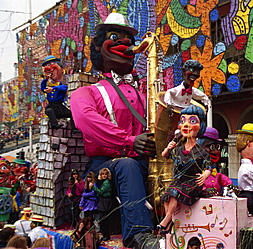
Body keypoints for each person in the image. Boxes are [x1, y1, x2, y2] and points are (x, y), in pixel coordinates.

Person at [70, 12, 158, 248]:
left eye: (129, 39)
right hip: (105, 165)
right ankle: (137, 235)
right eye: (114, 37)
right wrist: (129, 141)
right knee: (126, 165)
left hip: (142, 161)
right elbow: (86, 121)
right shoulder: (85, 93)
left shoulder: (145, 93)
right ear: (98, 45)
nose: (126, 43)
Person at [160, 105, 211, 234]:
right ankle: (169, 220)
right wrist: (168, 147)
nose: (186, 125)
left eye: (192, 121)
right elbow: (164, 155)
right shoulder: (178, 149)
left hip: (192, 183)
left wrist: (204, 175)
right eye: (183, 121)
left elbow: (209, 167)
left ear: (201, 126)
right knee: (167, 195)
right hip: (179, 181)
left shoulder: (201, 151)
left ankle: (166, 220)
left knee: (174, 192)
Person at [40, 55, 77, 131]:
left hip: (60, 106)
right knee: (49, 111)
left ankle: (74, 128)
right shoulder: (48, 84)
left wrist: (53, 88)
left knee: (72, 114)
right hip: (52, 106)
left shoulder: (61, 83)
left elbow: (64, 88)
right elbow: (43, 88)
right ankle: (54, 125)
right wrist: (45, 80)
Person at [198, 127, 232, 196]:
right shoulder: (195, 170)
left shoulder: (216, 173)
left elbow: (225, 180)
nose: (216, 151)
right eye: (212, 147)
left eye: (218, 147)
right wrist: (203, 191)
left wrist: (230, 186)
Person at [90, 168, 114, 241]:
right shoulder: (104, 182)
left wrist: (93, 187)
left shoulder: (107, 182)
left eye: (105, 174)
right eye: (102, 174)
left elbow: (100, 192)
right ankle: (105, 235)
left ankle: (106, 235)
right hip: (103, 201)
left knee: (104, 219)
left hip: (106, 201)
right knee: (103, 219)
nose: (104, 176)